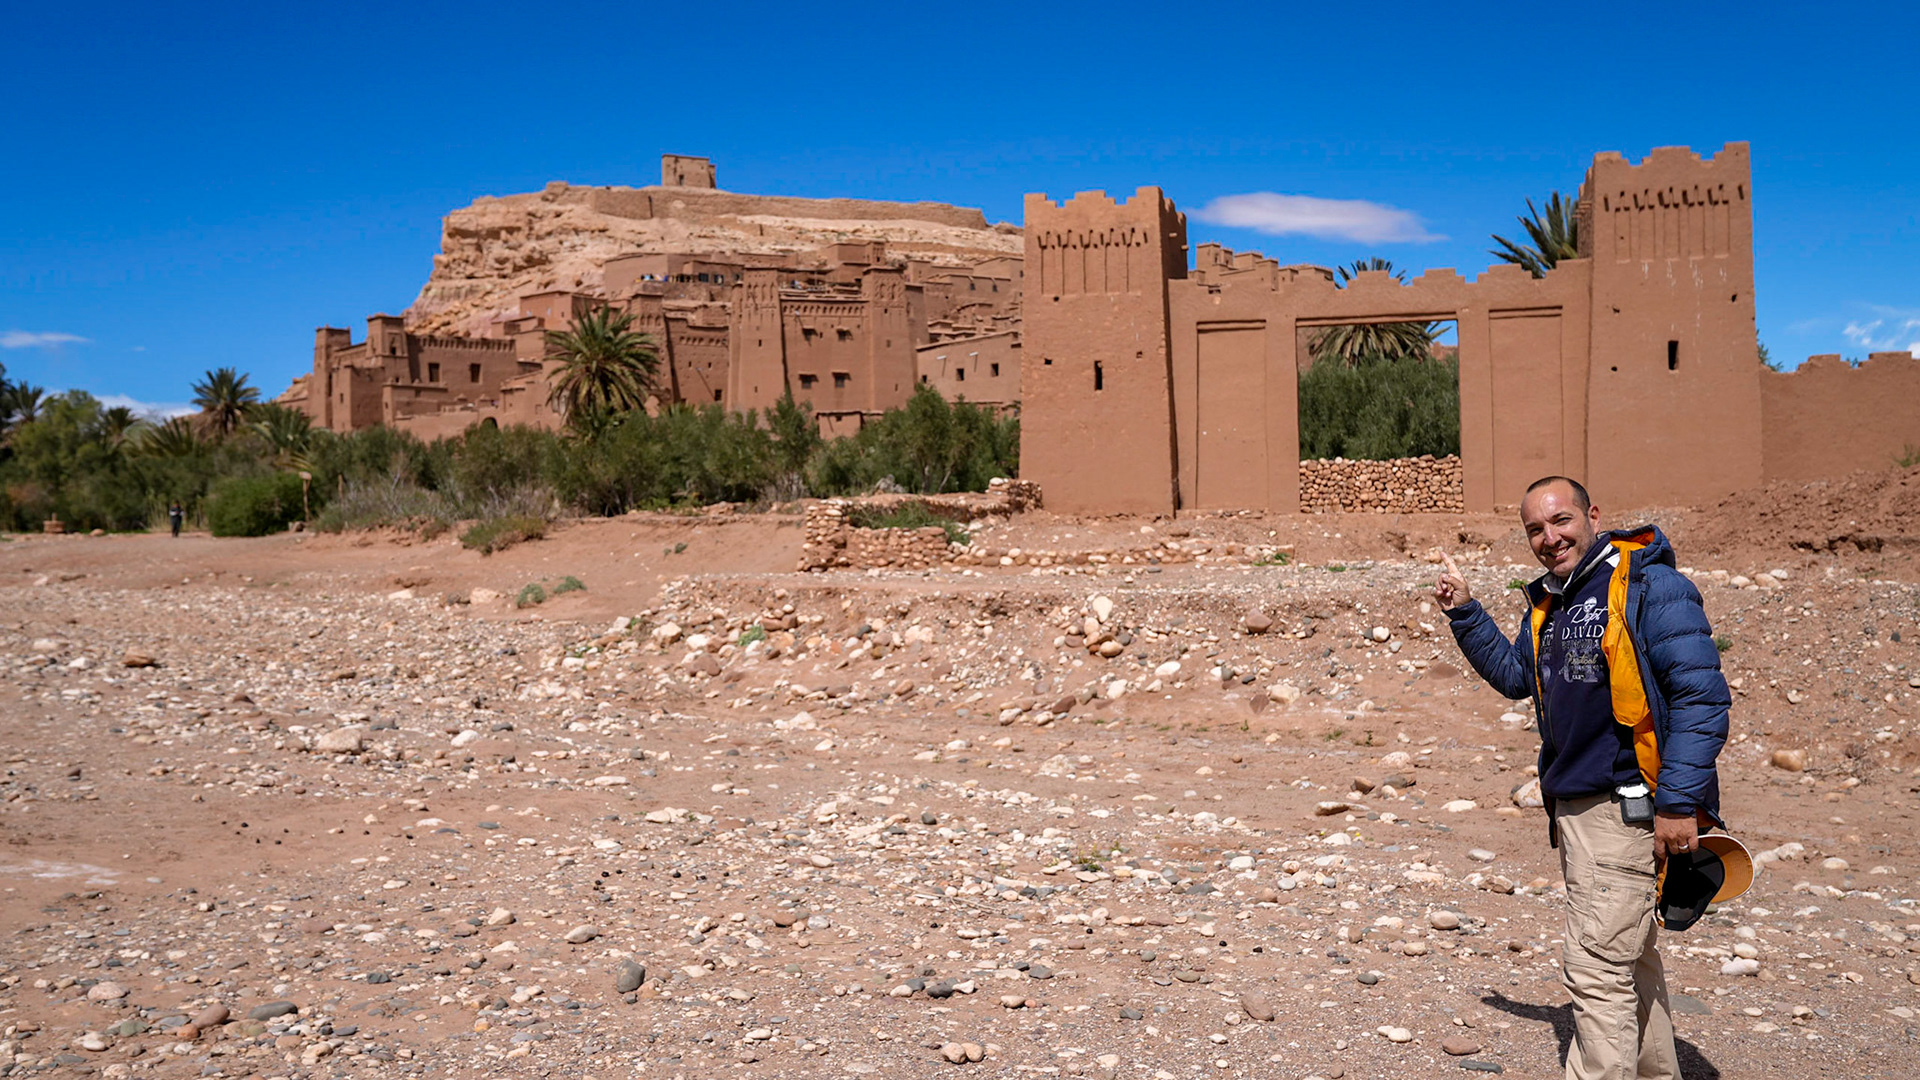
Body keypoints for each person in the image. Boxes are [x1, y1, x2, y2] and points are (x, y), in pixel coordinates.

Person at [1434, 476, 1729, 1080]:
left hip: (1626, 809)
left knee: (1596, 968)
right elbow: (1517, 676)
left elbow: (1701, 697)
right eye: (1535, 530)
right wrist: (1465, 612)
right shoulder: (1553, 600)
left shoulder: (1650, 587)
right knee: (1629, 962)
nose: (1550, 538)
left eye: (1561, 520)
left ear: (1593, 515)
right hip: (1578, 811)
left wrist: (1678, 802)